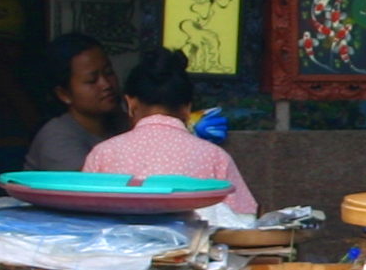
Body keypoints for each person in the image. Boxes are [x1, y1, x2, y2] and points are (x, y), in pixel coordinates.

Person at [84, 47, 257, 214]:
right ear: (188, 109)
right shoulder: (216, 157)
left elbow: (82, 221)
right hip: (195, 244)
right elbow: (243, 220)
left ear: (131, 104)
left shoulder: (102, 154)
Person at [23, 33, 126, 174]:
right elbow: (90, 189)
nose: (106, 84)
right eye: (92, 80)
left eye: (108, 72)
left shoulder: (121, 122)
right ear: (64, 94)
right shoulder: (57, 138)